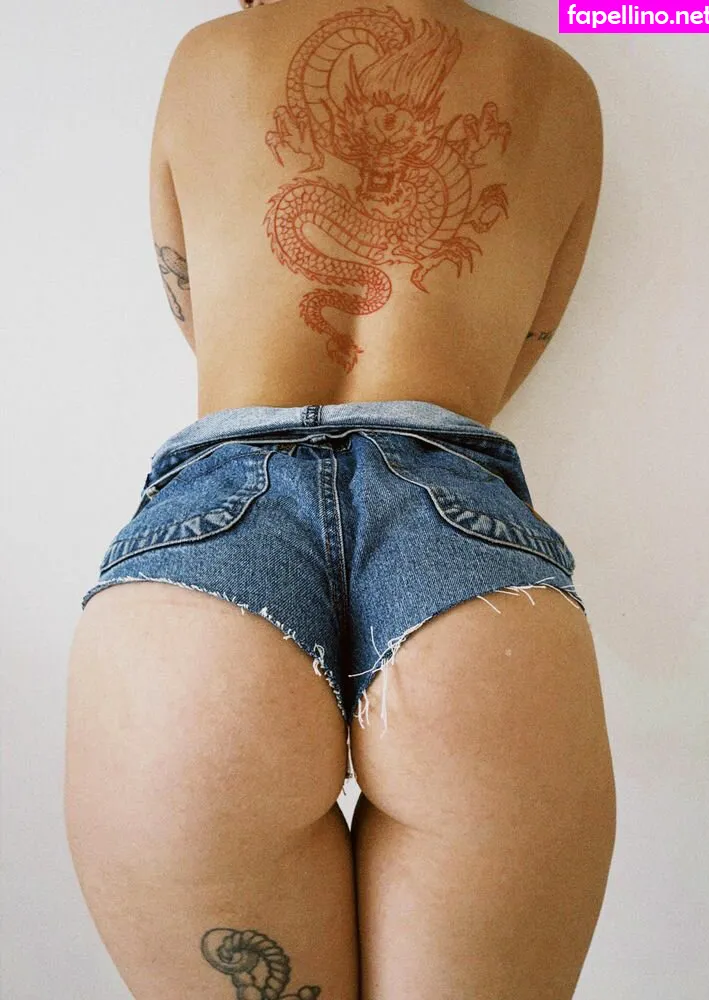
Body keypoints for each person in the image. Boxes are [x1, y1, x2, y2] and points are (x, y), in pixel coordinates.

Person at [64, 1, 616, 997]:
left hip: (205, 567)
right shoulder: (560, 84)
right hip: (469, 564)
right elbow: (520, 344)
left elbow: (194, 305)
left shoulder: (211, 55)